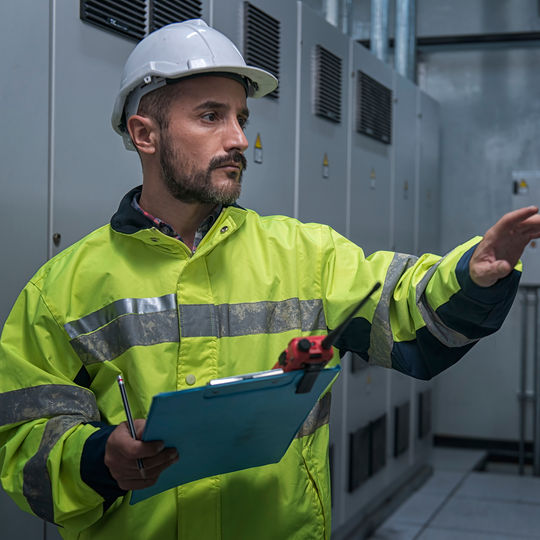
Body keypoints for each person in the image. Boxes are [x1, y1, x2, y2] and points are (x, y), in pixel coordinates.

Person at [0, 19, 539, 540]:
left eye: (242, 118)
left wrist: (473, 275)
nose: (238, 139)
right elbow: (23, 442)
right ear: (146, 134)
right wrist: (99, 459)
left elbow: (404, 307)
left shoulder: (305, 255)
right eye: (211, 116)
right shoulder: (62, 289)